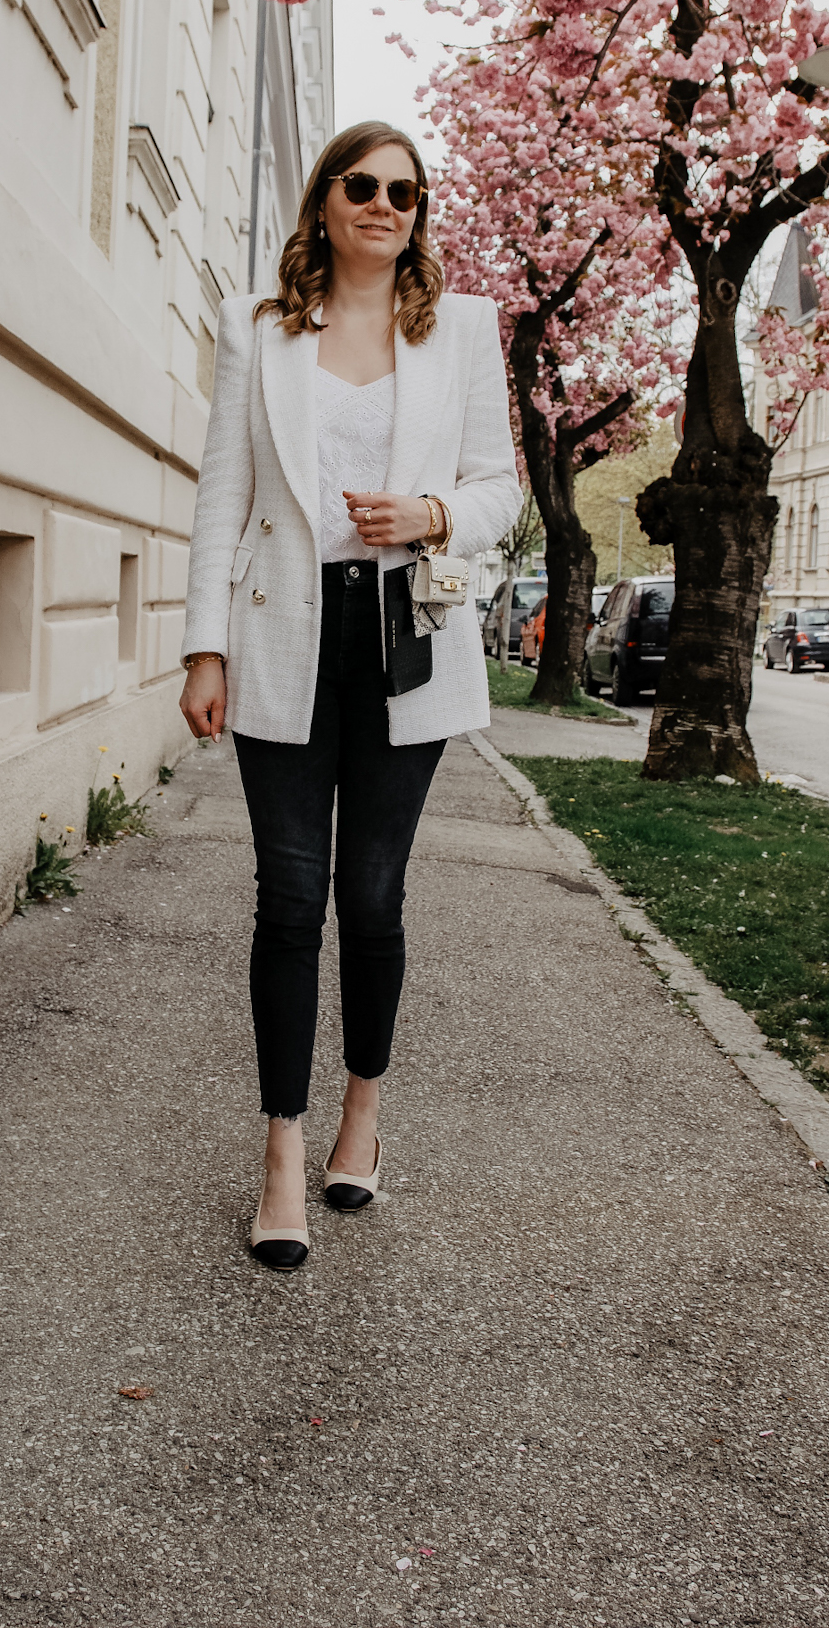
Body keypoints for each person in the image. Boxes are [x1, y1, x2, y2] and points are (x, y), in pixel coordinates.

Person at [179, 120, 521, 1270]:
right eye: (363, 185)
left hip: (402, 640)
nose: (385, 205)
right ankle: (280, 1146)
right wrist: (202, 648)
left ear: (420, 213)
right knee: (289, 897)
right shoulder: (258, 326)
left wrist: (428, 516)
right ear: (324, 198)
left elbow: (497, 492)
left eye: (406, 193)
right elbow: (221, 492)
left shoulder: (461, 329)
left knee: (371, 899)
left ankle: (358, 1119)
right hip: (283, 633)